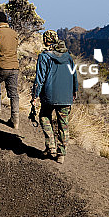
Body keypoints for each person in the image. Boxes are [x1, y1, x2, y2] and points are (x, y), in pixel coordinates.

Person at [31, 30, 78, 163]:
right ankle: (61, 154)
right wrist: (74, 91)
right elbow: (74, 75)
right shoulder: (68, 56)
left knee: (44, 117)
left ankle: (50, 146)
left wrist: (35, 96)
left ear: (46, 40)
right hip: (66, 96)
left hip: (49, 95)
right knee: (64, 124)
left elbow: (39, 79)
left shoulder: (44, 56)